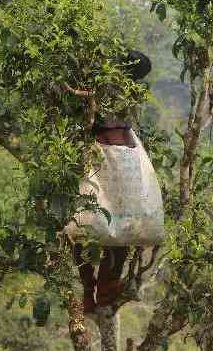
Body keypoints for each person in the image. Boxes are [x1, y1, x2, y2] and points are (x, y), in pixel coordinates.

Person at [71, 49, 152, 312]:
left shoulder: (105, 87)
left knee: (90, 221)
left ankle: (97, 288)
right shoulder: (112, 90)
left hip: (110, 153)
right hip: (113, 153)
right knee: (105, 221)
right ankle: (99, 287)